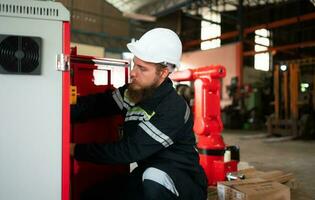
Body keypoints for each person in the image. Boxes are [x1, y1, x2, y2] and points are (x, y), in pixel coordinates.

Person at [70, 28, 208, 200]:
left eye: (142, 68)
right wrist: (61, 111)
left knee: (153, 176)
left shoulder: (173, 108)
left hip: (181, 183)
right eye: (135, 63)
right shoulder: (136, 91)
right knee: (91, 196)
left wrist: (75, 149)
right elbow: (99, 105)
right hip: (147, 174)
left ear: (163, 73)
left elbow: (130, 151)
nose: (133, 72)